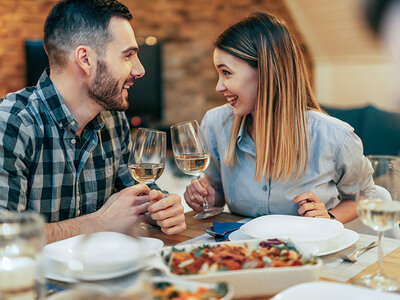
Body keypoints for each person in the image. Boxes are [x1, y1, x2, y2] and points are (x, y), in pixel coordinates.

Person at [0, 0, 186, 243]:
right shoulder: (12, 122)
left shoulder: (113, 120)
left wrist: (161, 209)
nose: (140, 70)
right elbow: (5, 235)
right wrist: (98, 223)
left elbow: (141, 193)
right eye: (128, 56)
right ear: (85, 59)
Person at [184, 12, 374, 224]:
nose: (218, 86)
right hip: (242, 250)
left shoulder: (335, 137)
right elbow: (217, 192)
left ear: (266, 71)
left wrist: (329, 217)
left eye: (226, 73)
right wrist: (207, 197)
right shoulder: (215, 124)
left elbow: (365, 196)